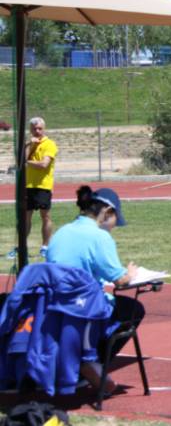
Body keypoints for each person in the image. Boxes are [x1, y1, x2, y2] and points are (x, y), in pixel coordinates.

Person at [46, 186, 144, 393]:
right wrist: (131, 273)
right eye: (115, 221)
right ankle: (92, 363)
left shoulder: (62, 232)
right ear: (107, 213)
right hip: (85, 307)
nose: (114, 227)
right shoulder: (99, 237)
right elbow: (119, 280)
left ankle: (77, 361)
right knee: (133, 309)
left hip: (56, 303)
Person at [9, 117, 58, 260]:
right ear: (30, 130)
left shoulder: (50, 144)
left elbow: (43, 164)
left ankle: (45, 247)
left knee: (45, 216)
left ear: (44, 129)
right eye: (34, 129)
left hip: (43, 186)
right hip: (27, 186)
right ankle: (20, 247)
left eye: (40, 128)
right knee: (25, 218)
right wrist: (30, 145)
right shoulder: (28, 145)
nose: (37, 131)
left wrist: (27, 162)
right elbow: (20, 161)